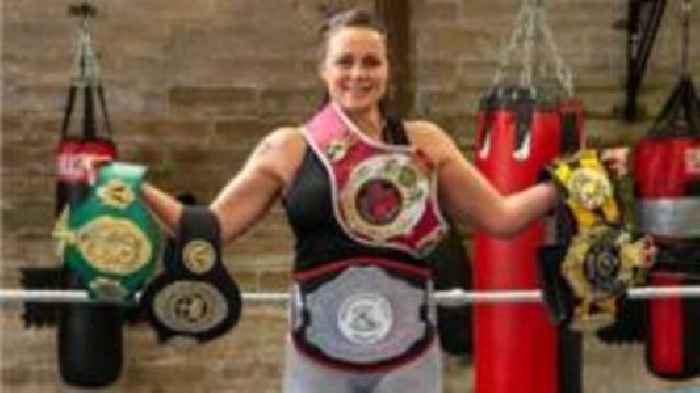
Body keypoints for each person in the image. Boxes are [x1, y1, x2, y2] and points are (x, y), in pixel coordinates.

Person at [138, 8, 559, 393]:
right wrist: (129, 184)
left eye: (371, 62)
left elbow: (502, 218)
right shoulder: (289, 148)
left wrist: (570, 185)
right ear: (324, 70)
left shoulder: (423, 142)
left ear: (388, 70)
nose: (358, 73)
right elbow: (210, 227)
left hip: (408, 354)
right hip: (317, 354)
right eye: (345, 61)